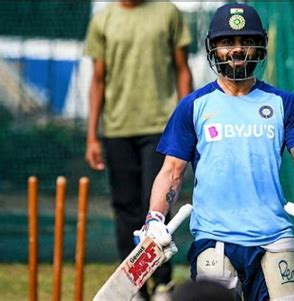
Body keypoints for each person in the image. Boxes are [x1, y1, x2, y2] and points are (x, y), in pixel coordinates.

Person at [134, 3, 294, 301]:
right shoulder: (193, 106)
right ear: (213, 47)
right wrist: (154, 218)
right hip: (215, 237)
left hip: (274, 236)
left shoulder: (283, 103)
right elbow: (171, 171)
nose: (237, 50)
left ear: (260, 47)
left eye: (247, 41)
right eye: (227, 42)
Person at [83, 0, 192, 300]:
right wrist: (92, 136)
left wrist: (187, 123)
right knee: (125, 208)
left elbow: (183, 70)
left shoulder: (167, 12)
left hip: (161, 126)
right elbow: (97, 80)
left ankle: (162, 284)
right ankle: (134, 286)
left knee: (154, 205)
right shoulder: (103, 20)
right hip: (118, 129)